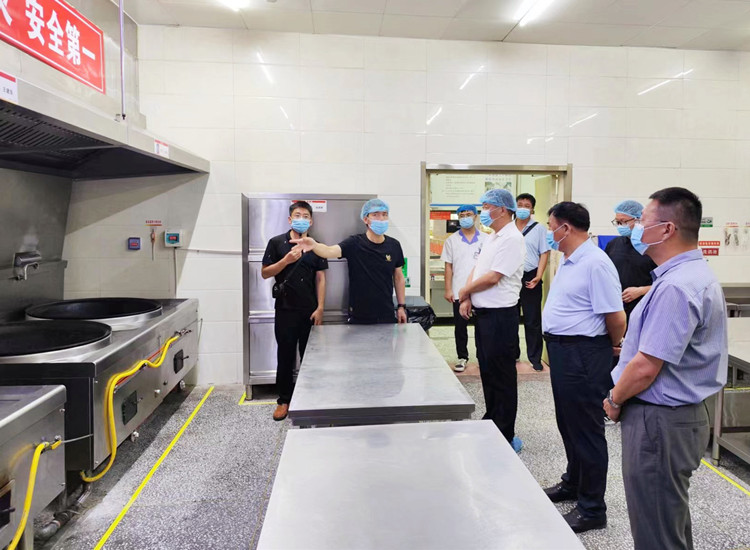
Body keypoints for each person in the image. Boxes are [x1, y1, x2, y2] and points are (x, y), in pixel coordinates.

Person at [604, 188, 727, 550]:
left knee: (656, 530)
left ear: (667, 229)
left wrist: (614, 399)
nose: (636, 228)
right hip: (672, 418)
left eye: (641, 221)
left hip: (660, 421)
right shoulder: (689, 276)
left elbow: (646, 366)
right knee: (666, 521)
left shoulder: (676, 286)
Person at [541, 202, 626, 533]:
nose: (549, 233)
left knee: (587, 429)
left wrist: (611, 345)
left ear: (566, 228)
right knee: (568, 422)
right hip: (564, 351)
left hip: (584, 353)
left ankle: (592, 509)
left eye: (551, 227)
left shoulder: (595, 263)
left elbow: (615, 316)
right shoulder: (569, 259)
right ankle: (573, 483)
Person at [457, 188, 525, 452]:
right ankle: (492, 421)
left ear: (503, 209)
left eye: (487, 207)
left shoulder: (512, 238)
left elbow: (494, 277)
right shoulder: (492, 237)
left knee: (502, 376)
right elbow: (478, 269)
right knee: (488, 372)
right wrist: (467, 297)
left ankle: (505, 433)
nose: (483, 211)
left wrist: (464, 291)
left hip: (501, 317)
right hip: (484, 315)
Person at [291, 198, 407, 324]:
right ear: (366, 219)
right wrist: (314, 245)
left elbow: (398, 277)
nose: (381, 219)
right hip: (359, 315)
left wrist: (401, 306)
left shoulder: (394, 245)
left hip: (386, 313)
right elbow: (329, 251)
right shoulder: (354, 243)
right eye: (375, 215)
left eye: (384, 215)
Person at [261, 201, 328, 421]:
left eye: (306, 216)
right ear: (290, 219)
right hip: (285, 310)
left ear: (311, 221)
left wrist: (320, 307)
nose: (302, 219)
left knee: (310, 357)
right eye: (297, 215)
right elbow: (265, 273)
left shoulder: (317, 246)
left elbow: (321, 278)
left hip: (309, 311)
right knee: (285, 355)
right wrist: (286, 260)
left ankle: (309, 397)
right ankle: (284, 400)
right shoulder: (276, 243)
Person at [441, 204, 487, 372]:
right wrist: (448, 289)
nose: (465, 217)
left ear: (475, 216)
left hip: (481, 290)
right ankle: (462, 357)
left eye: (468, 214)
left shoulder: (486, 239)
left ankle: (483, 357)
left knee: (482, 326)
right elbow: (448, 267)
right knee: (460, 326)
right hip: (459, 290)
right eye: (462, 215)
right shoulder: (451, 240)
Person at [515, 193, 551, 371]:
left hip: (531, 277)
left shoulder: (539, 229)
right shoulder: (507, 227)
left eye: (526, 206)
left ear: (532, 209)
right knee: (510, 319)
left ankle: (535, 358)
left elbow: (544, 252)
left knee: (532, 319)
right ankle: (512, 354)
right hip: (509, 277)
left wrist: (539, 275)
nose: (522, 208)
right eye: (520, 204)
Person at [605, 200, 657, 322]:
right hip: (617, 309)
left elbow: (667, 282)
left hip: (645, 309)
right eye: (617, 222)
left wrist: (641, 291)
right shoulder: (613, 245)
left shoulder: (653, 247)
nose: (620, 226)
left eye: (623, 222)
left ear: (638, 220)